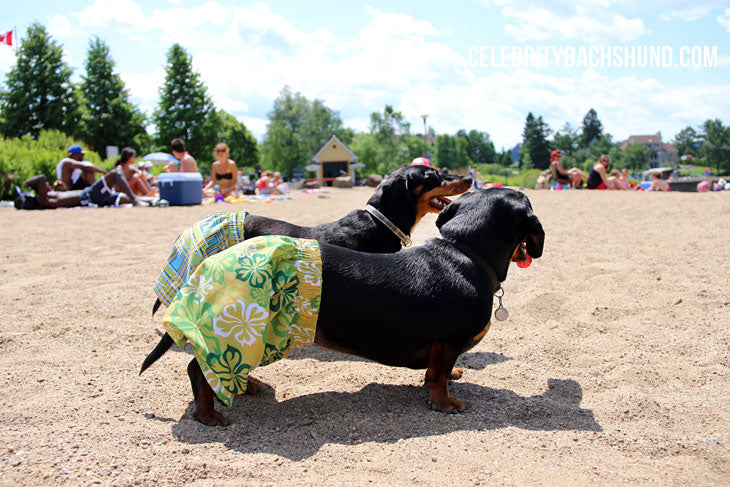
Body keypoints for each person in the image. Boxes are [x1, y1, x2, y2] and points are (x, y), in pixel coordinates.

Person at [25, 167, 149, 208]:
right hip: (89, 196)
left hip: (90, 196)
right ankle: (135, 201)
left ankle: (152, 201)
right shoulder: (43, 200)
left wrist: (64, 189)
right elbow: (41, 178)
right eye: (44, 185)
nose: (47, 184)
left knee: (121, 198)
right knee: (116, 173)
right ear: (39, 189)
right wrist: (27, 183)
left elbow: (68, 197)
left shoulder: (49, 196)